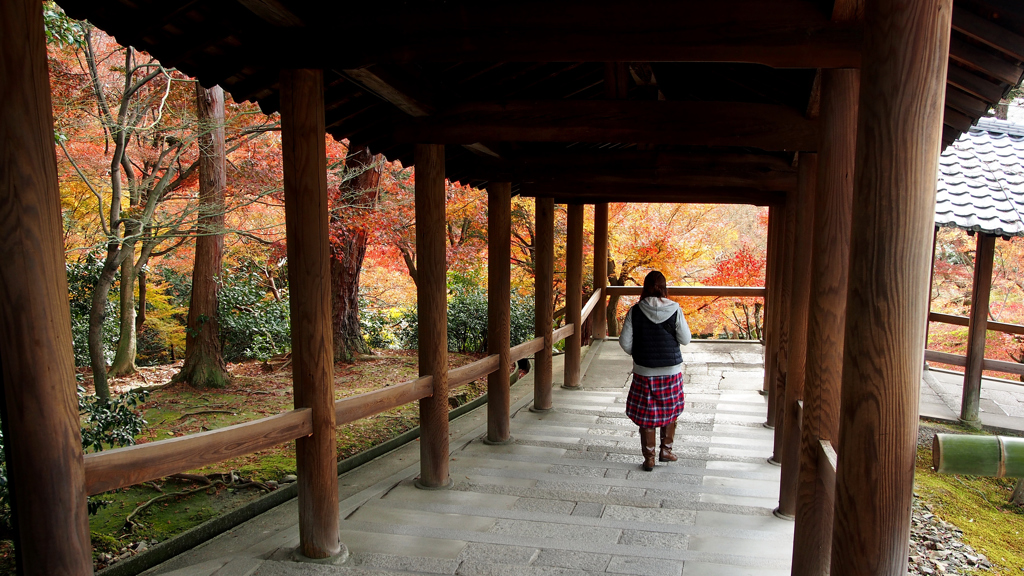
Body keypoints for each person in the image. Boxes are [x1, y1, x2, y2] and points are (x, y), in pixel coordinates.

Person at [618, 270, 691, 471]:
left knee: (646, 413)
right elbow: (685, 339)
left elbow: (624, 342)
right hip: (670, 370)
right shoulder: (675, 309)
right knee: (671, 409)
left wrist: (640, 352)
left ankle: (649, 458)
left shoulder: (635, 310)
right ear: (664, 287)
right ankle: (666, 450)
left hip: (644, 371)